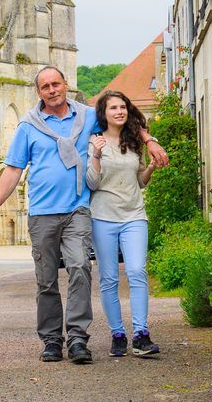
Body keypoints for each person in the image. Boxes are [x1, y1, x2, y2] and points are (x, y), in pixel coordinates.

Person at [0, 66, 168, 365]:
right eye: (45, 86)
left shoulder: (87, 115)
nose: (52, 89)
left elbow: (126, 118)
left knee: (80, 267)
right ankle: (52, 340)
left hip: (78, 208)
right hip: (42, 211)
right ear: (39, 92)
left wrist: (150, 140)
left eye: (56, 83)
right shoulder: (28, 126)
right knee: (46, 280)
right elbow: (14, 169)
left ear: (65, 84)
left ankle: (79, 338)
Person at [87, 90, 160, 358]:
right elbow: (92, 184)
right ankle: (117, 334)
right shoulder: (95, 142)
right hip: (103, 217)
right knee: (108, 278)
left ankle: (141, 334)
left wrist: (150, 168)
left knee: (137, 271)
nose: (119, 111)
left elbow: (139, 182)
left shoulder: (133, 143)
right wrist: (95, 155)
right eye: (113, 108)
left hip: (134, 216)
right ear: (103, 114)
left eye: (123, 107)